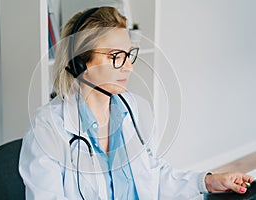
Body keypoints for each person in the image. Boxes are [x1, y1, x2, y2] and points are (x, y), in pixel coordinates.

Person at [19, 6, 254, 200]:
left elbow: (152, 175)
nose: (129, 66)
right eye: (115, 56)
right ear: (81, 62)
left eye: (128, 54)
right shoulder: (48, 127)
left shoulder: (134, 109)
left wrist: (207, 181)